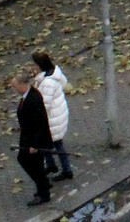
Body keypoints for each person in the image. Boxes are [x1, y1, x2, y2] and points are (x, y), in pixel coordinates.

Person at [12, 73, 55, 206]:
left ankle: (43, 193)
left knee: (33, 165)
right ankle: (43, 186)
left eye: (15, 86)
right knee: (33, 164)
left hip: (34, 140)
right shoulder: (28, 96)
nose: (13, 89)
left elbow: (39, 123)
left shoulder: (33, 98)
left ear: (22, 85)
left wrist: (34, 144)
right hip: (28, 137)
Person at [32, 50, 73, 181]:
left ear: (39, 66)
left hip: (52, 120)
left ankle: (66, 170)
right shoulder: (53, 75)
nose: (32, 67)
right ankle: (51, 165)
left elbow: (44, 104)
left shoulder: (47, 83)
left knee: (57, 145)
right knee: (46, 144)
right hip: (57, 116)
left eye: (34, 65)